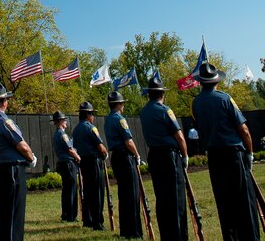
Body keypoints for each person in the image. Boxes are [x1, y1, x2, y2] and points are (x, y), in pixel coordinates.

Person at [190, 62, 260, 241]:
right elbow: (243, 129)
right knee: (244, 201)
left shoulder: (195, 103)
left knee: (224, 202)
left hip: (214, 156)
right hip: (233, 154)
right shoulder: (224, 99)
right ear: (216, 81)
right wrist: (250, 152)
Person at [140, 73, 189, 241]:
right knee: (176, 199)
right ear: (162, 94)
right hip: (169, 157)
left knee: (162, 198)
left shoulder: (144, 112)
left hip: (154, 155)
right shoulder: (165, 110)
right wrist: (185, 156)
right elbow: (180, 137)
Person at [0, 83, 36, 241]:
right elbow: (22, 146)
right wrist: (32, 158)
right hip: (12, 171)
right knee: (14, 216)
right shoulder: (3, 121)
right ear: (4, 101)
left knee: (6, 216)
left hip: (1, 170)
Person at [104, 90, 143, 239]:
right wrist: (137, 155)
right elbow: (129, 141)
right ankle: (134, 231)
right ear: (119, 104)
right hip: (125, 156)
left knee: (123, 194)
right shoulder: (120, 119)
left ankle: (126, 230)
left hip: (116, 156)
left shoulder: (108, 119)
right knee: (132, 194)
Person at [72, 101, 108, 231]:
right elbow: (101, 147)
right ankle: (97, 222)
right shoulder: (90, 128)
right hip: (93, 162)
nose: (93, 117)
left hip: (83, 162)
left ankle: (87, 219)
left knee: (87, 191)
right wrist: (105, 155)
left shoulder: (75, 130)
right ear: (88, 115)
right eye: (92, 114)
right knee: (97, 192)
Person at [51, 110, 81, 222]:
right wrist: (78, 157)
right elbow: (70, 149)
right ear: (59, 122)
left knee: (67, 190)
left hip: (64, 164)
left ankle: (66, 213)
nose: (66, 122)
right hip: (68, 163)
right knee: (71, 190)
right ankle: (71, 215)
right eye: (64, 120)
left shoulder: (58, 134)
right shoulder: (62, 134)